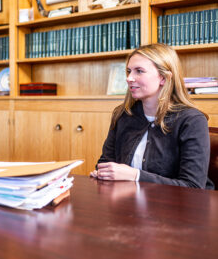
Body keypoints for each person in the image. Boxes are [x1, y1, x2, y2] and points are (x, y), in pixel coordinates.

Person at [90, 44, 213, 189]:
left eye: (139, 71)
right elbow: (104, 163)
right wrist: (102, 173)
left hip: (178, 207)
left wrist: (136, 176)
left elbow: (193, 186)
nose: (129, 78)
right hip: (128, 202)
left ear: (164, 78)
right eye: (129, 71)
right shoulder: (123, 114)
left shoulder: (192, 120)